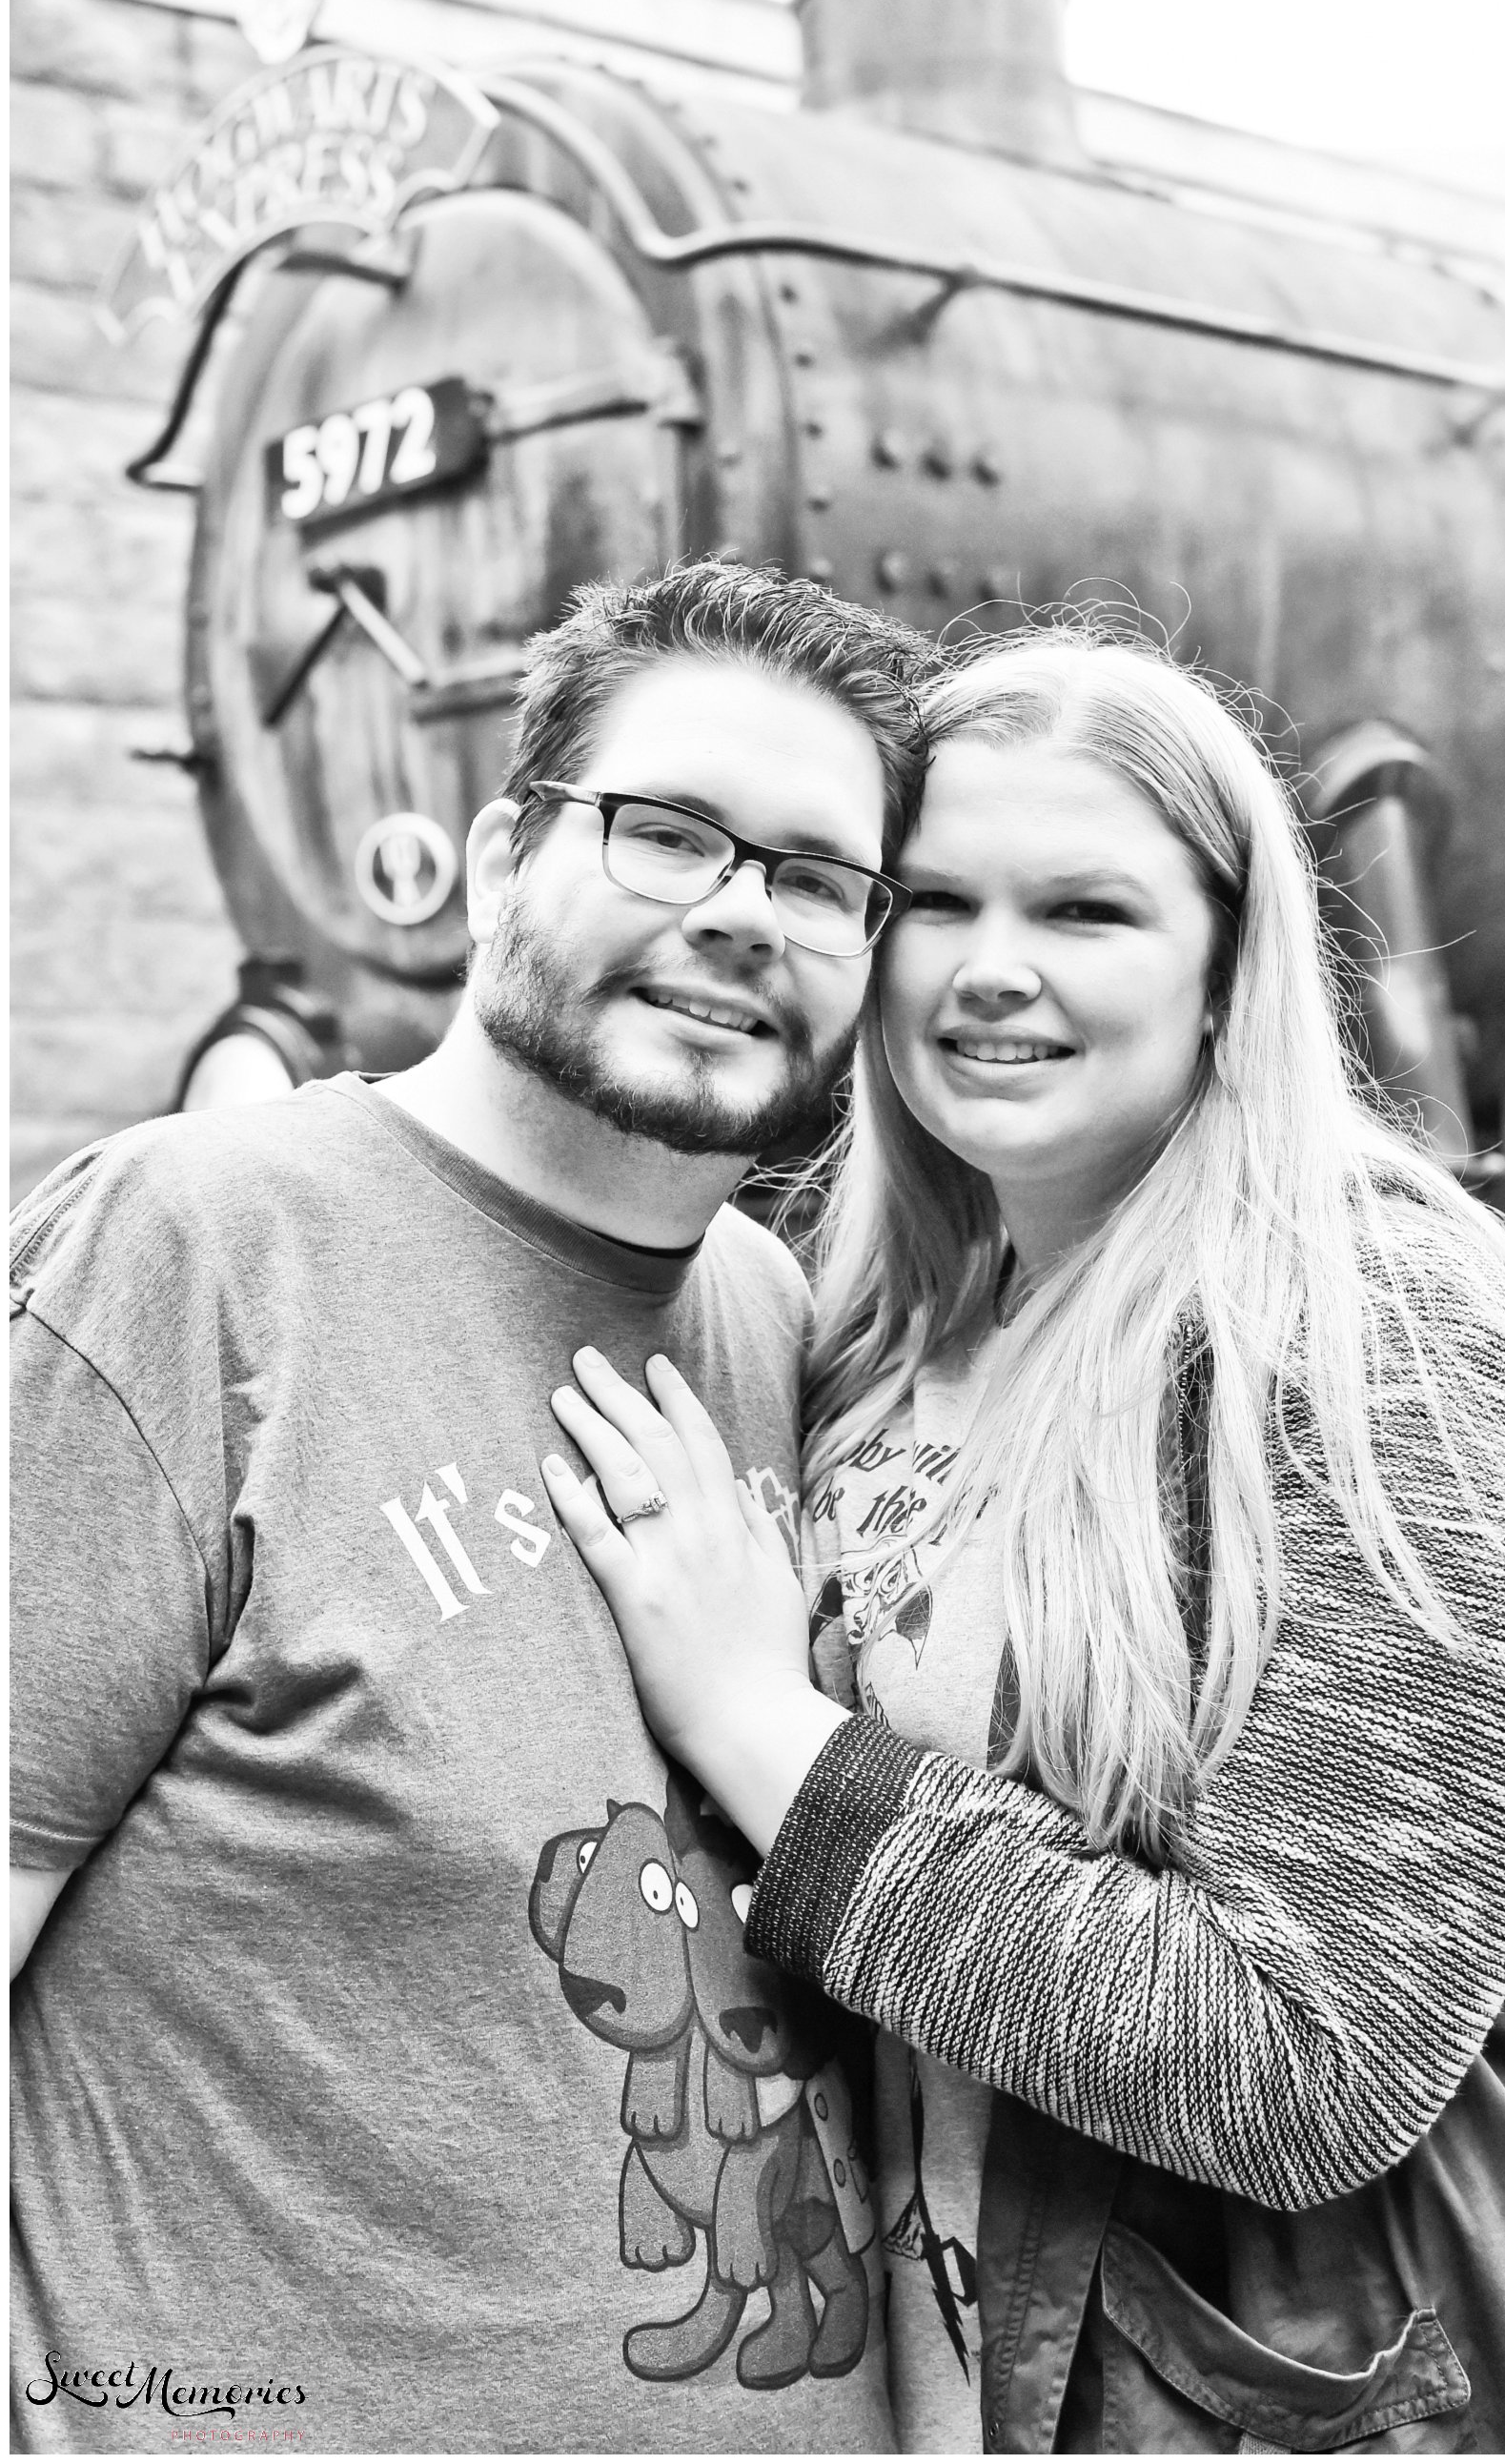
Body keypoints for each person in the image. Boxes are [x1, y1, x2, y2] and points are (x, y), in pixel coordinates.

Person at [542, 630, 1505, 2454]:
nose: (994, 971)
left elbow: (1312, 2060)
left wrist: (762, 1723)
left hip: (1341, 2394)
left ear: (1231, 968)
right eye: (936, 900)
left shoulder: (1379, 1329)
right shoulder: (883, 1338)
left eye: (1086, 911)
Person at [9, 559, 934, 2454]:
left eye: (819, 879)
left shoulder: (776, 1319)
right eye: (668, 832)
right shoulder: (189, 1251)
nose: (742, 915)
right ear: (505, 854)